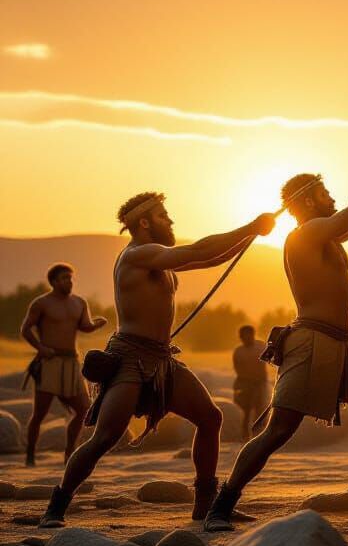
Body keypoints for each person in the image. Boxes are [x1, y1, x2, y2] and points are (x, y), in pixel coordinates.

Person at [204, 138, 348, 531]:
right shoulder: (305, 235)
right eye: (324, 193)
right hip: (311, 342)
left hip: (346, 345)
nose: (332, 198)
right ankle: (221, 505)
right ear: (305, 202)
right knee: (279, 430)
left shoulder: (327, 236)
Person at [38, 194, 276, 528]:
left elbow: (207, 258)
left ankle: (206, 507)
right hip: (129, 358)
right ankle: (55, 509)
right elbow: (197, 251)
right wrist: (251, 227)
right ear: (145, 222)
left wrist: (251, 235)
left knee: (210, 418)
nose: (171, 220)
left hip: (162, 360)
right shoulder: (137, 255)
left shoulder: (159, 261)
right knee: (105, 437)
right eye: (164, 215)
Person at [21, 264, 107, 466]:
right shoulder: (41, 303)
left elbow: (84, 327)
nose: (69, 281)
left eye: (70, 278)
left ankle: (70, 454)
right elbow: (25, 329)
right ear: (53, 282)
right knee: (40, 413)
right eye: (64, 278)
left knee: (84, 409)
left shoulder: (79, 302)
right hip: (50, 363)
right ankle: (30, 454)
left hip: (72, 362)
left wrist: (95, 325)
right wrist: (40, 348)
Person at [232, 325, 269, 440]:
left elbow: (271, 359)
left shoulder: (261, 346)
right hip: (246, 384)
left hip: (261, 384)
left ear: (253, 335)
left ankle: (258, 436)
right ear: (241, 337)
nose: (247, 338)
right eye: (244, 336)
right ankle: (245, 436)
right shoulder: (239, 351)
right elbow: (238, 370)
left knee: (260, 409)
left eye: (249, 335)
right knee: (247, 411)